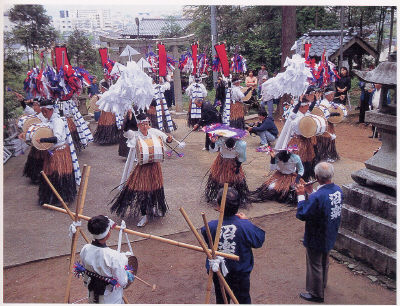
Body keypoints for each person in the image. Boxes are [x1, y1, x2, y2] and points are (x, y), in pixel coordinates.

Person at [201, 187, 265, 304]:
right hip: (239, 272)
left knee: (222, 299)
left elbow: (205, 235)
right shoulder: (245, 226)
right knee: (242, 300)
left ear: (219, 207)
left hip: (220, 273)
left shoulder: (210, 226)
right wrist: (246, 221)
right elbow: (258, 240)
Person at [110, 113, 173, 227]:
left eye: (146, 123)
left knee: (155, 188)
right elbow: (125, 133)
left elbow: (166, 138)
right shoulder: (135, 135)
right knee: (143, 192)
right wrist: (128, 119)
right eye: (142, 124)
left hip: (155, 167)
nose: (145, 126)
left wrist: (169, 139)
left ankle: (153, 208)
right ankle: (144, 215)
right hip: (142, 168)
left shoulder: (154, 132)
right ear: (138, 125)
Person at [295, 162, 343, 303]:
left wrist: (301, 196)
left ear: (316, 176)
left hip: (316, 233)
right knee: (324, 260)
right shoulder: (338, 190)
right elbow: (323, 204)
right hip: (330, 230)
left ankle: (316, 293)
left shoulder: (318, 196)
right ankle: (322, 283)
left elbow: (302, 214)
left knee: (314, 262)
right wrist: (311, 192)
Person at [80, 215, 134, 303]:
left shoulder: (85, 249)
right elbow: (123, 282)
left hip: (92, 294)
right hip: (110, 299)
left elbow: (85, 268)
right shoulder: (114, 256)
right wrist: (127, 273)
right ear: (108, 234)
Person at [38, 99, 77, 206]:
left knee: (60, 175)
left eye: (44, 111)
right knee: (51, 174)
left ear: (49, 110)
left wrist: (42, 140)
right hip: (52, 152)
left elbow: (57, 138)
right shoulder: (48, 121)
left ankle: (64, 198)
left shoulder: (57, 121)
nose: (43, 114)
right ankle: (52, 198)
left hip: (60, 152)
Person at [205, 135, 249, 206]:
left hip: (233, 162)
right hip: (221, 161)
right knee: (221, 178)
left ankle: (234, 195)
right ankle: (219, 195)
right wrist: (213, 142)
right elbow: (213, 150)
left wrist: (237, 167)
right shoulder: (221, 140)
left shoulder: (241, 144)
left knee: (235, 179)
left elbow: (242, 157)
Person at [20, 99, 48, 184]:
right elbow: (28, 110)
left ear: (41, 107)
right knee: (35, 159)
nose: (34, 107)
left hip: (42, 143)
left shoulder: (44, 117)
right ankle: (35, 176)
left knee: (41, 160)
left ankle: (42, 177)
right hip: (36, 142)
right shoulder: (35, 114)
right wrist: (22, 102)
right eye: (34, 105)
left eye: (36, 105)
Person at [315, 88, 340, 163]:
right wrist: (331, 114)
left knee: (331, 139)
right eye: (331, 94)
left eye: (333, 94)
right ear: (327, 95)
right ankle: (324, 155)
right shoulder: (323, 103)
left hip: (330, 123)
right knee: (325, 139)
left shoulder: (330, 103)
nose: (333, 96)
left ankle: (329, 154)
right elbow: (322, 113)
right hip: (325, 124)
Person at [93, 81, 122, 145]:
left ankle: (107, 139)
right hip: (107, 113)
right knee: (107, 123)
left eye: (100, 87)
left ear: (103, 88)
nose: (100, 89)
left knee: (107, 123)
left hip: (108, 113)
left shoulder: (107, 94)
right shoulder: (106, 94)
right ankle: (109, 139)